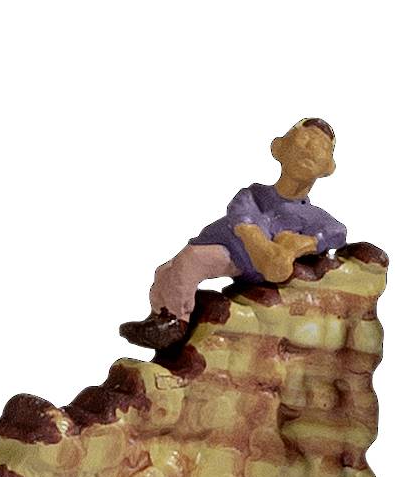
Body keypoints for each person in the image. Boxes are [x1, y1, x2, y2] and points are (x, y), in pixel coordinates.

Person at [117, 119, 345, 350]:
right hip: (229, 245)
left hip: (238, 257)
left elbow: (337, 232)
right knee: (165, 272)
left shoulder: (312, 215)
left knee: (191, 261)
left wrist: (305, 243)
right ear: (279, 149)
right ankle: (159, 316)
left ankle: (175, 323)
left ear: (328, 167)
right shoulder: (253, 194)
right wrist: (263, 247)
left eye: (321, 147)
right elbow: (242, 220)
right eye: (303, 140)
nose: (310, 148)